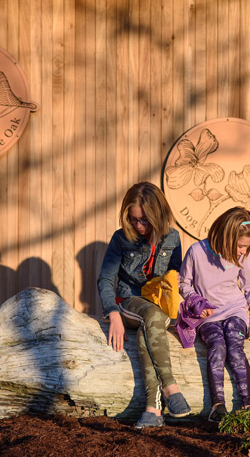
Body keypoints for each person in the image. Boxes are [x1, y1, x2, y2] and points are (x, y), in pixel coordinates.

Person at [97, 181, 191, 429]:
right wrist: (113, 314)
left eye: (145, 220)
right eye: (133, 219)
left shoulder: (173, 238)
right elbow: (106, 279)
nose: (138, 226)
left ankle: (153, 409)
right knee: (150, 315)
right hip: (130, 301)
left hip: (160, 307)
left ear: (158, 215)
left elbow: (176, 275)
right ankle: (171, 387)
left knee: (145, 332)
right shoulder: (120, 239)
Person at [177, 207, 250, 422]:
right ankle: (218, 406)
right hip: (208, 315)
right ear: (226, 236)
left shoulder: (242, 256)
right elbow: (183, 284)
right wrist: (197, 302)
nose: (243, 251)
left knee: (234, 346)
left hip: (235, 310)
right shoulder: (197, 252)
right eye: (241, 246)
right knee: (217, 346)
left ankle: (249, 405)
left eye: (247, 247)